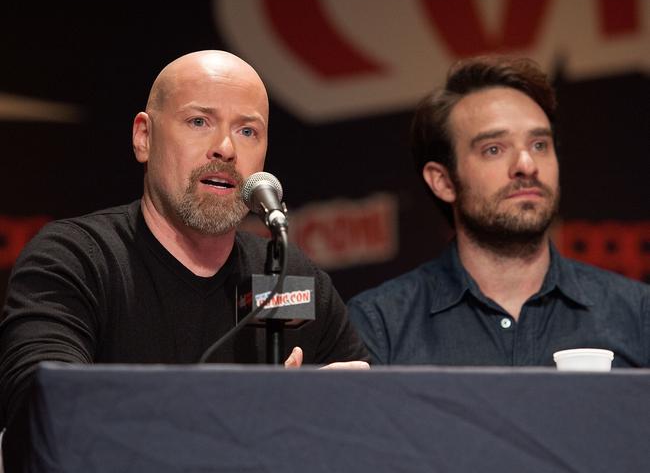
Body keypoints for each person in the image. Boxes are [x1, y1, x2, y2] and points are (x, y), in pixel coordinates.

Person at [0, 50, 369, 470]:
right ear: (144, 137)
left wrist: (340, 415)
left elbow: (380, 428)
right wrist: (253, 418)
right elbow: (46, 407)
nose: (226, 149)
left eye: (248, 131)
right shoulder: (76, 258)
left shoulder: (288, 276)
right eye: (199, 122)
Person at [347, 56, 650, 366]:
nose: (527, 165)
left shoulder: (638, 315)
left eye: (539, 145)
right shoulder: (381, 326)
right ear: (443, 181)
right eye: (494, 149)